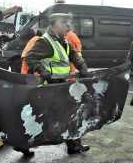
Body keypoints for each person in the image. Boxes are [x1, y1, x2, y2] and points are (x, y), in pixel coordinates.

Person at [22, 13, 90, 157]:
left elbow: (73, 55)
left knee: (69, 114)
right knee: (41, 117)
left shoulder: (62, 41)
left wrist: (82, 66)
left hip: (62, 86)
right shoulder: (45, 42)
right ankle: (21, 143)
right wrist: (41, 69)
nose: (67, 27)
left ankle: (74, 145)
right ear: (56, 24)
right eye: (65, 24)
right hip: (50, 87)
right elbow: (29, 58)